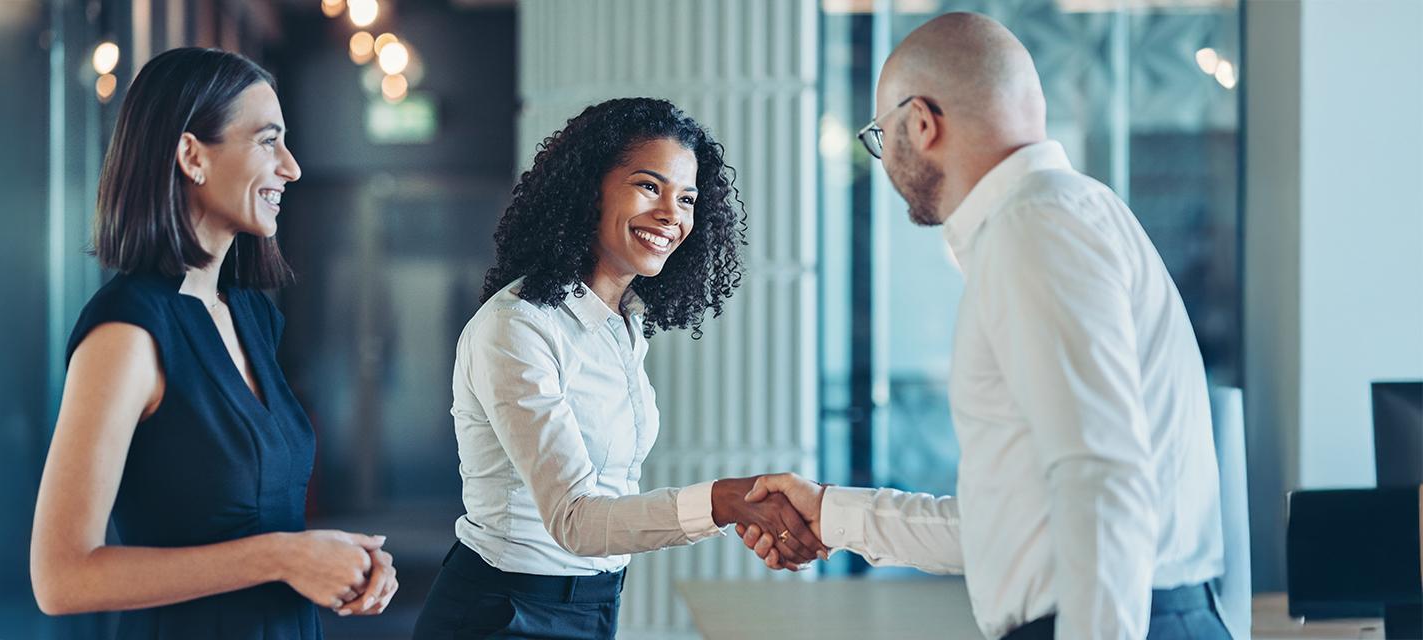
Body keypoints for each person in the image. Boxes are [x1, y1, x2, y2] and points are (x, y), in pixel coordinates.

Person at [740, 13, 1230, 640]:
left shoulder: (1035, 228)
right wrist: (831, 514)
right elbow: (1013, 527)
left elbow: (1100, 476)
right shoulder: (1063, 217)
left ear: (920, 123)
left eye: (880, 135)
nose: (884, 158)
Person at [411, 97, 824, 639]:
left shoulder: (623, 323)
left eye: (688, 198)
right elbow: (576, 519)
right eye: (649, 186)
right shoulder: (518, 327)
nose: (672, 214)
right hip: (504, 610)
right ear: (589, 190)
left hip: (596, 603)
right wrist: (724, 502)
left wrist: (745, 509)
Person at [29, 47, 397, 638]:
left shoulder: (250, 316)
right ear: (192, 155)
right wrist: (282, 555)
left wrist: (340, 561)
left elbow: (253, 515)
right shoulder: (127, 332)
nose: (291, 167)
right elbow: (62, 578)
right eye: (267, 141)